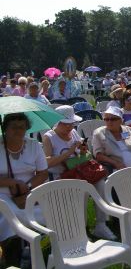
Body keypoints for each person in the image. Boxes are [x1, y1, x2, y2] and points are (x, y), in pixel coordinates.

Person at [42, 105, 116, 240]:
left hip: (81, 171)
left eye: (72, 123)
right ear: (57, 123)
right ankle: (81, 228)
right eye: (66, 124)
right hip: (61, 176)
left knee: (101, 185)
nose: (70, 127)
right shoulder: (49, 137)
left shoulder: (74, 132)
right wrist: (70, 152)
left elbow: (84, 153)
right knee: (80, 191)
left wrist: (83, 151)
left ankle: (101, 224)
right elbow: (47, 162)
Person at [0, 113, 48, 264]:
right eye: (13, 127)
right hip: (3, 193)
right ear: (5, 128)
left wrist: (25, 186)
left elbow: (43, 173)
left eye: (22, 127)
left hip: (30, 190)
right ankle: (13, 259)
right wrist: (11, 182)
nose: (18, 130)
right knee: (10, 218)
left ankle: (42, 253)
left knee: (48, 212)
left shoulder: (34, 145)